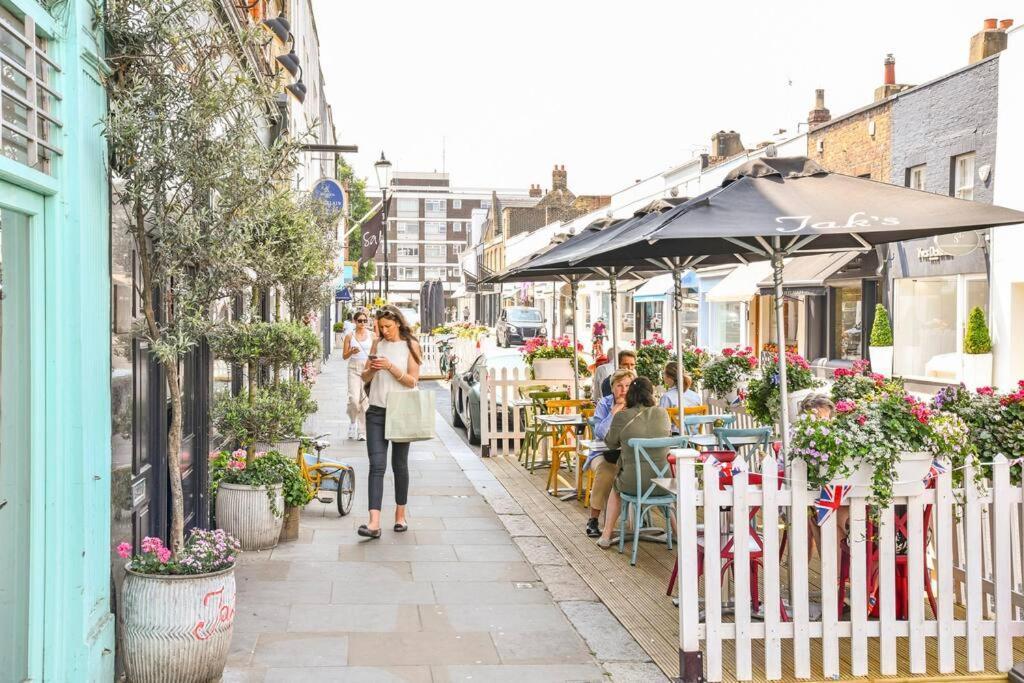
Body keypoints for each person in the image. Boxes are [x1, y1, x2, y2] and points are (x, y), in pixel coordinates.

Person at [359, 305, 422, 539]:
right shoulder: (377, 344)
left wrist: (391, 367)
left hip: (401, 411)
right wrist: (373, 370)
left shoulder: (410, 345)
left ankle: (400, 516)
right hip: (376, 410)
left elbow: (412, 381)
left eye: (387, 326)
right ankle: (373, 523)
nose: (383, 331)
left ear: (397, 322)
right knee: (376, 465)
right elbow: (364, 376)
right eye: (380, 327)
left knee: (399, 465)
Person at [597, 377, 673, 548]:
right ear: (651, 393)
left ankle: (606, 535)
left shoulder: (622, 416)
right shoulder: (662, 413)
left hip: (632, 483)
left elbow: (610, 443)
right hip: (664, 482)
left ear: (630, 394)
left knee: (616, 489)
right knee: (665, 493)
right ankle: (676, 532)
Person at [585, 368, 635, 538]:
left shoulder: (637, 403)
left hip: (628, 455)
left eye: (628, 385)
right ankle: (593, 519)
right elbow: (600, 432)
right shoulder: (604, 404)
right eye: (620, 386)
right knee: (606, 471)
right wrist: (614, 412)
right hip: (603, 453)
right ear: (612, 387)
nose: (624, 390)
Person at [342, 308, 373, 440]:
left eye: (365, 321)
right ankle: (353, 422)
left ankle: (362, 431)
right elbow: (344, 356)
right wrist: (351, 352)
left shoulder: (372, 335)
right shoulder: (350, 336)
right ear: (355, 321)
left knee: (365, 401)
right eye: (360, 321)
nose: (363, 323)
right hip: (353, 368)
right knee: (354, 400)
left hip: (367, 368)